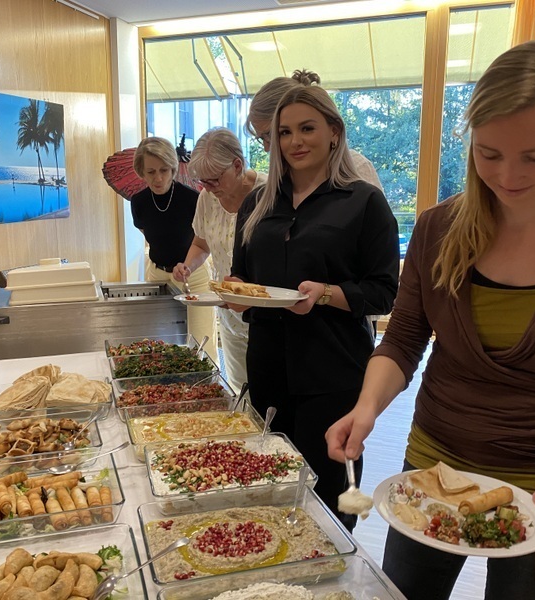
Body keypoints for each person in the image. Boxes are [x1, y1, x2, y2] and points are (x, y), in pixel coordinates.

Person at [325, 39, 535, 600]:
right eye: (488, 152)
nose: (507, 176)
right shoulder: (437, 229)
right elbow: (404, 338)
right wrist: (366, 408)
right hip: (433, 471)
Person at [230, 79, 399, 531]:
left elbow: (384, 292)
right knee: (271, 485)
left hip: (333, 372)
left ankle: (339, 562)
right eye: (284, 132)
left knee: (329, 495)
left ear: (334, 132)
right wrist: (235, 294)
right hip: (267, 367)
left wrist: (324, 293)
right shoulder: (256, 204)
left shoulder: (363, 202)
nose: (294, 142)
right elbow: (242, 279)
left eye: (307, 128)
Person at [172, 128, 267, 392]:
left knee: (266, 390)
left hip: (265, 315)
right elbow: (201, 243)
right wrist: (188, 266)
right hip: (229, 313)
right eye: (202, 181)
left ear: (237, 165)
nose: (207, 187)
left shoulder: (269, 192)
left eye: (214, 180)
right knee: (239, 387)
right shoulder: (207, 198)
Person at [130, 137, 216, 360]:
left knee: (202, 345)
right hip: (158, 276)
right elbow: (150, 236)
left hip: (193, 276)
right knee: (161, 345)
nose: (158, 178)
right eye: (151, 172)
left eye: (164, 170)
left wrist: (186, 265)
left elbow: (204, 244)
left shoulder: (193, 199)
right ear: (141, 171)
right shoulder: (138, 202)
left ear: (173, 168)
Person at [245, 69, 384, 191]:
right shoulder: (274, 188)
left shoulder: (357, 171)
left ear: (334, 131)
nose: (267, 148)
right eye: (262, 139)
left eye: (270, 135)